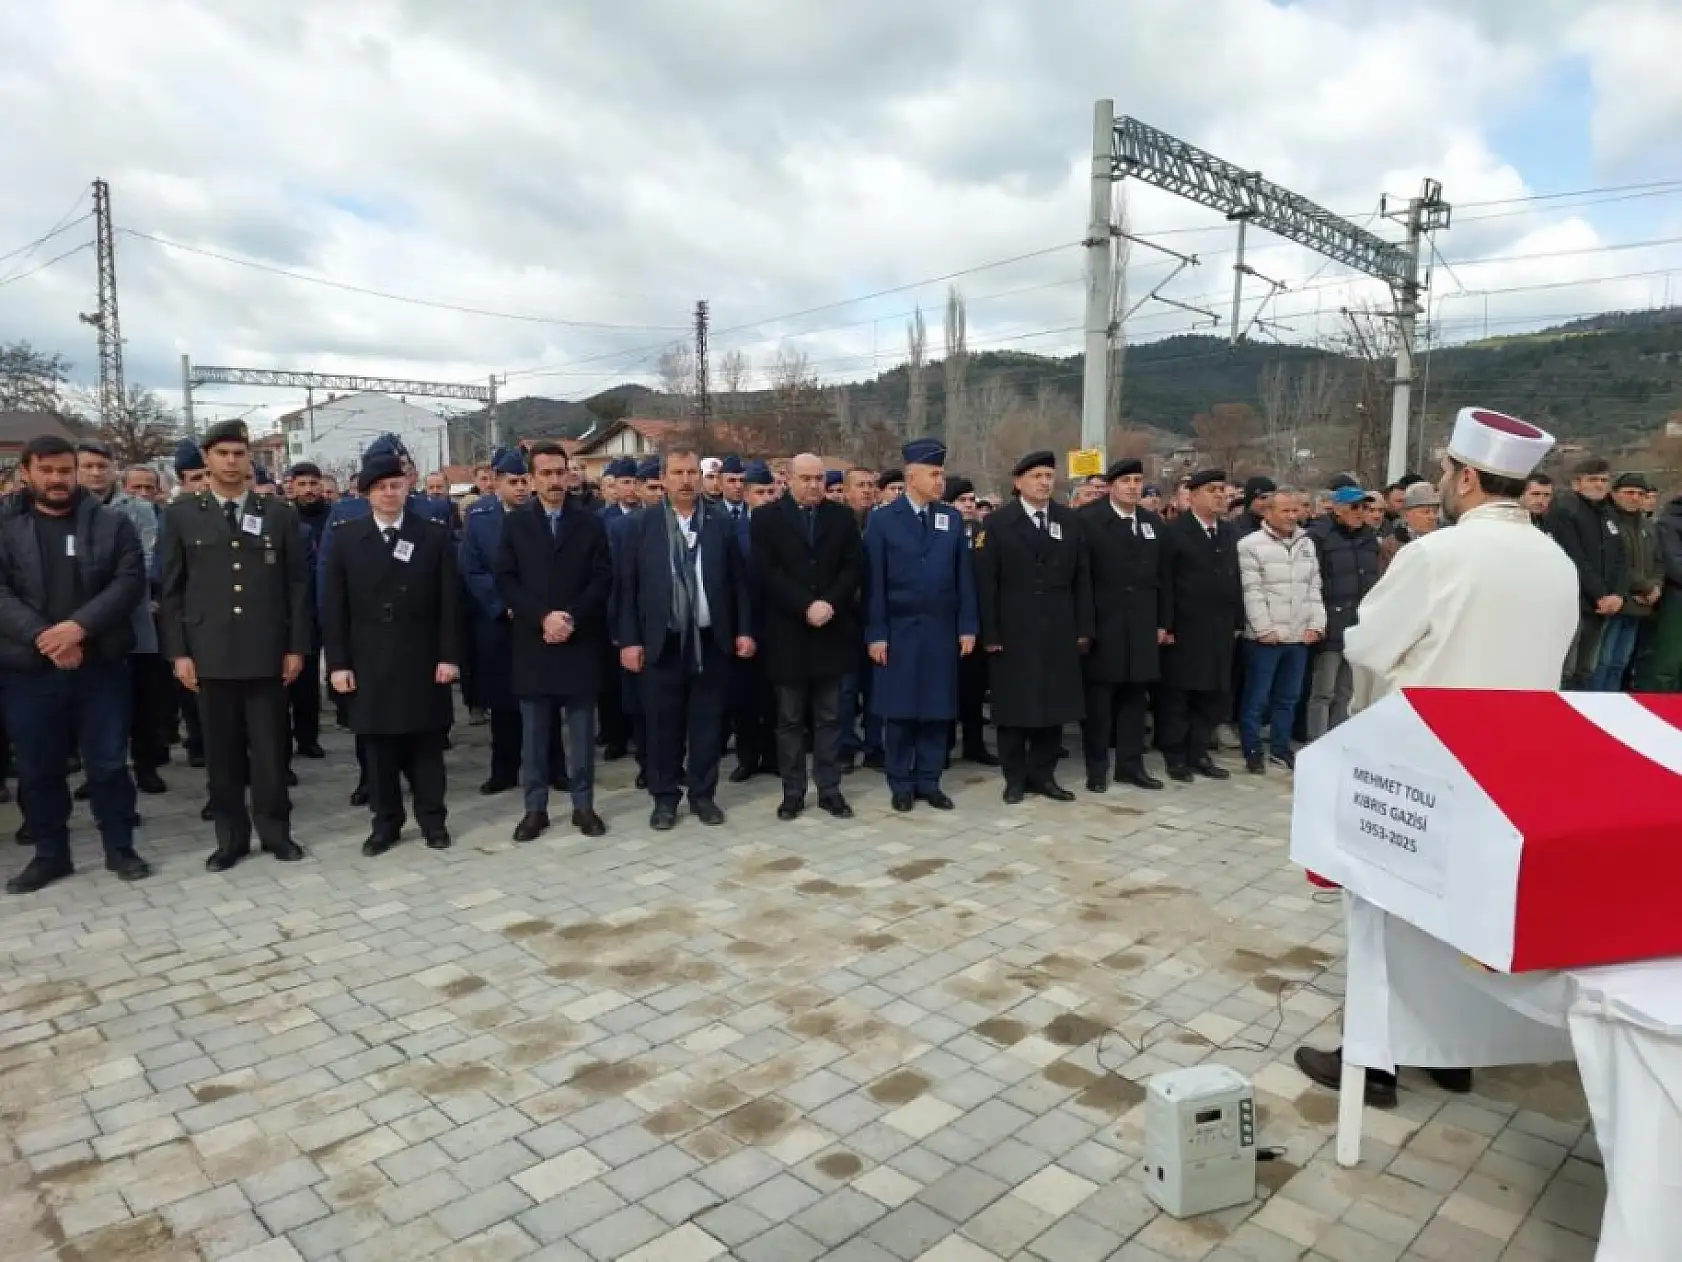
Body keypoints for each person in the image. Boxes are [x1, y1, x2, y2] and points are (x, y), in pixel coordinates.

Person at [1294, 405, 1578, 1108]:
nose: (1445, 482)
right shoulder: (1555, 559)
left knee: (1387, 911)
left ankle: (1375, 1062)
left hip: (1420, 761)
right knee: (1466, 910)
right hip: (1509, 769)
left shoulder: (1438, 552)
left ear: (1471, 479)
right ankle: (1451, 1056)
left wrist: (1369, 714)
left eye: (1450, 471)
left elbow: (1365, 647)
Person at [0, 434, 150, 894]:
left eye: (65, 470)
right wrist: (44, 637)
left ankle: (120, 847)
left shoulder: (111, 524)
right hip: (29, 668)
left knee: (106, 763)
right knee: (38, 768)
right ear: (26, 472)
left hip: (98, 665)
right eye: (47, 471)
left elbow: (127, 583)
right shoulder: (5, 527)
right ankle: (51, 854)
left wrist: (77, 629)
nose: (58, 479)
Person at [159, 421, 310, 871]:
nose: (230, 461)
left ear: (249, 460)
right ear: (206, 459)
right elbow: (171, 591)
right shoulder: (183, 515)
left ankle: (275, 832)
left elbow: (297, 587)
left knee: (269, 751)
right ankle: (230, 837)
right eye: (222, 453)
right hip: (210, 653)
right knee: (221, 754)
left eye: (238, 453)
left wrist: (296, 647)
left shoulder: (278, 513)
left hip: (266, 651)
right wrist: (179, 653)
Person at [323, 450, 461, 854]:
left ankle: (433, 820)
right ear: (366, 493)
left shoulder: (432, 534)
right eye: (380, 488)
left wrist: (449, 656)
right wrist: (338, 664)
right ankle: (386, 824)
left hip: (421, 659)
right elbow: (334, 608)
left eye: (395, 486)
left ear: (407, 488)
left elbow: (450, 604)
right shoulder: (347, 538)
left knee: (427, 749)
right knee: (378, 753)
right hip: (369, 663)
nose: (388, 494)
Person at [616, 448, 754, 830]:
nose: (686, 479)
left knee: (707, 724)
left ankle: (702, 795)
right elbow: (626, 589)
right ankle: (664, 799)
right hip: (663, 642)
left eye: (692, 471)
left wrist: (743, 630)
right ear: (664, 478)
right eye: (677, 472)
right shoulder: (641, 527)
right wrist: (629, 640)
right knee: (663, 727)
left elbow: (739, 583)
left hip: (711, 642)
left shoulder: (720, 523)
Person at [497, 442, 613, 839]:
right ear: (531, 479)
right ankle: (535, 809)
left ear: (569, 474)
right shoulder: (515, 525)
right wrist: (542, 617)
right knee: (535, 735)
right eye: (545, 474)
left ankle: (583, 805)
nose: (554, 481)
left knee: (581, 734)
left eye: (559, 472)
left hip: (579, 641)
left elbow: (602, 578)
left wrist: (571, 617)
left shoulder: (590, 523)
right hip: (534, 642)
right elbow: (507, 580)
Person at [862, 439, 978, 812]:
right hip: (898, 631)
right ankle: (900, 782)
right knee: (899, 711)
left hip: (941, 630)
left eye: (942, 473)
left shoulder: (951, 518)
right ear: (912, 477)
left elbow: (964, 578)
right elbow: (873, 582)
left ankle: (929, 781)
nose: (940, 480)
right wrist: (876, 633)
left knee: (936, 710)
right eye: (935, 474)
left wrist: (967, 627)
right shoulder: (882, 519)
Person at [975, 450, 1092, 804]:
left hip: (1058, 628)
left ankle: (1044, 775)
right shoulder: (997, 524)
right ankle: (1015, 778)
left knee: (1052, 707)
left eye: (1048, 476)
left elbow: (1082, 579)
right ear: (1018, 482)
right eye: (1036, 476)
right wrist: (991, 633)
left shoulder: (1068, 521)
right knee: (1014, 708)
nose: (1044, 482)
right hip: (1014, 631)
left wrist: (1084, 627)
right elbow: (986, 583)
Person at [752, 453, 864, 820]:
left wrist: (830, 603)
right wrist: (805, 605)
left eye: (819, 478)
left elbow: (852, 567)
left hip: (831, 630)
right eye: (806, 478)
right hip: (789, 633)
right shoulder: (767, 518)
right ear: (788, 479)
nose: (814, 485)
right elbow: (767, 572)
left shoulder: (842, 517)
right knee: (789, 720)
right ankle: (793, 791)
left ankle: (830, 789)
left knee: (830, 717)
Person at [1077, 459, 1167, 793]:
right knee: (1099, 704)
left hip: (1141, 624)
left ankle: (1131, 766)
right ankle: (1097, 768)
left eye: (1137, 480)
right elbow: (1081, 578)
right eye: (1126, 480)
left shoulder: (1150, 522)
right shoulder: (1088, 520)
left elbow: (1163, 576)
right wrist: (1084, 627)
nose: (1133, 486)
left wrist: (1162, 621)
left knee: (1134, 700)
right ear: (1112, 485)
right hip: (1105, 624)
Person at [1157, 468, 1242, 781]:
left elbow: (1235, 580)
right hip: (1185, 628)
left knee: (1210, 695)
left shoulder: (1228, 532)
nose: (1220, 495)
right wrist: (1165, 624)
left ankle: (1199, 753)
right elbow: (1164, 582)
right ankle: (1175, 755)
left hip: (1219, 629)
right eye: (1212, 490)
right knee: (1180, 696)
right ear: (1192, 496)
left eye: (1222, 489)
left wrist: (1237, 620)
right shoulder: (1175, 533)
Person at [460, 449, 534, 794]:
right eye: (512, 482)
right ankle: (503, 770)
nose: (520, 488)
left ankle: (552, 767)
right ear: (496, 481)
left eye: (524, 481)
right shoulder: (480, 515)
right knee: (504, 702)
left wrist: (531, 606)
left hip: (536, 620)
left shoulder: (540, 513)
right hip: (499, 620)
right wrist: (503, 605)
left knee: (542, 697)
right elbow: (472, 569)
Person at [1235, 487, 1323, 774]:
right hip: (1265, 638)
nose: (1291, 516)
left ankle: (1280, 747)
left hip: (1298, 635)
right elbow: (1252, 591)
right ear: (1268, 512)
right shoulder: (1250, 545)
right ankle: (1252, 749)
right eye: (1285, 510)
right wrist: (1263, 628)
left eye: (1295, 510)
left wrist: (1316, 625)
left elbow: (1314, 587)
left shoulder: (1306, 544)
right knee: (1257, 697)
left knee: (1289, 697)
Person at [1305, 485, 1379, 739]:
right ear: (1337, 508)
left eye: (1365, 507)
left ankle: (1337, 740)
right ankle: (1316, 741)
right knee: (1323, 690)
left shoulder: (1369, 539)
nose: (1361, 513)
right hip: (1330, 620)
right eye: (1355, 507)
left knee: (1346, 691)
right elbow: (1313, 581)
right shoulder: (1320, 536)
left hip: (1358, 622)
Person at [1547, 456, 1625, 689]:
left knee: (1587, 669)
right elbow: (1573, 556)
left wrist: (1618, 594)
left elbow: (1621, 557)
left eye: (1604, 480)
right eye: (1593, 480)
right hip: (1576, 602)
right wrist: (1600, 594)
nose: (1600, 485)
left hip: (1602, 606)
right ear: (1577, 483)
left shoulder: (1609, 514)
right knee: (1567, 669)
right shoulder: (1564, 511)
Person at [943, 476, 996, 766]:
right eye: (962, 500)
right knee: (948, 687)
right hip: (947, 623)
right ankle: (945, 742)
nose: (968, 506)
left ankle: (974, 744)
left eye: (971, 501)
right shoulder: (941, 532)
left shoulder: (982, 532)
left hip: (976, 622)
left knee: (974, 688)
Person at [1593, 472, 1661, 691]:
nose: (1635, 498)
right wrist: (1644, 586)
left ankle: (1612, 707)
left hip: (1640, 606)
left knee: (1620, 663)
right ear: (1614, 494)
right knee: (1601, 662)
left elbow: (1659, 561)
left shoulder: (1648, 526)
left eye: (1640, 494)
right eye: (1629, 492)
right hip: (1616, 602)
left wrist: (1655, 587)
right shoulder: (1605, 522)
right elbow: (1613, 562)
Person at [286, 461, 330, 760]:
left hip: (329, 603)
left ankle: (310, 736)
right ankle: (300, 737)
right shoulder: (284, 519)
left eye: (313, 484)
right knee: (301, 678)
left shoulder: (335, 517)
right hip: (299, 608)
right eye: (302, 484)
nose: (308, 490)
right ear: (292, 487)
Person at [1378, 481, 1441, 573]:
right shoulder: (1391, 546)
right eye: (1426, 512)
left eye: (1435, 512)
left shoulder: (1443, 541)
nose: (1432, 517)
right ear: (1406, 515)